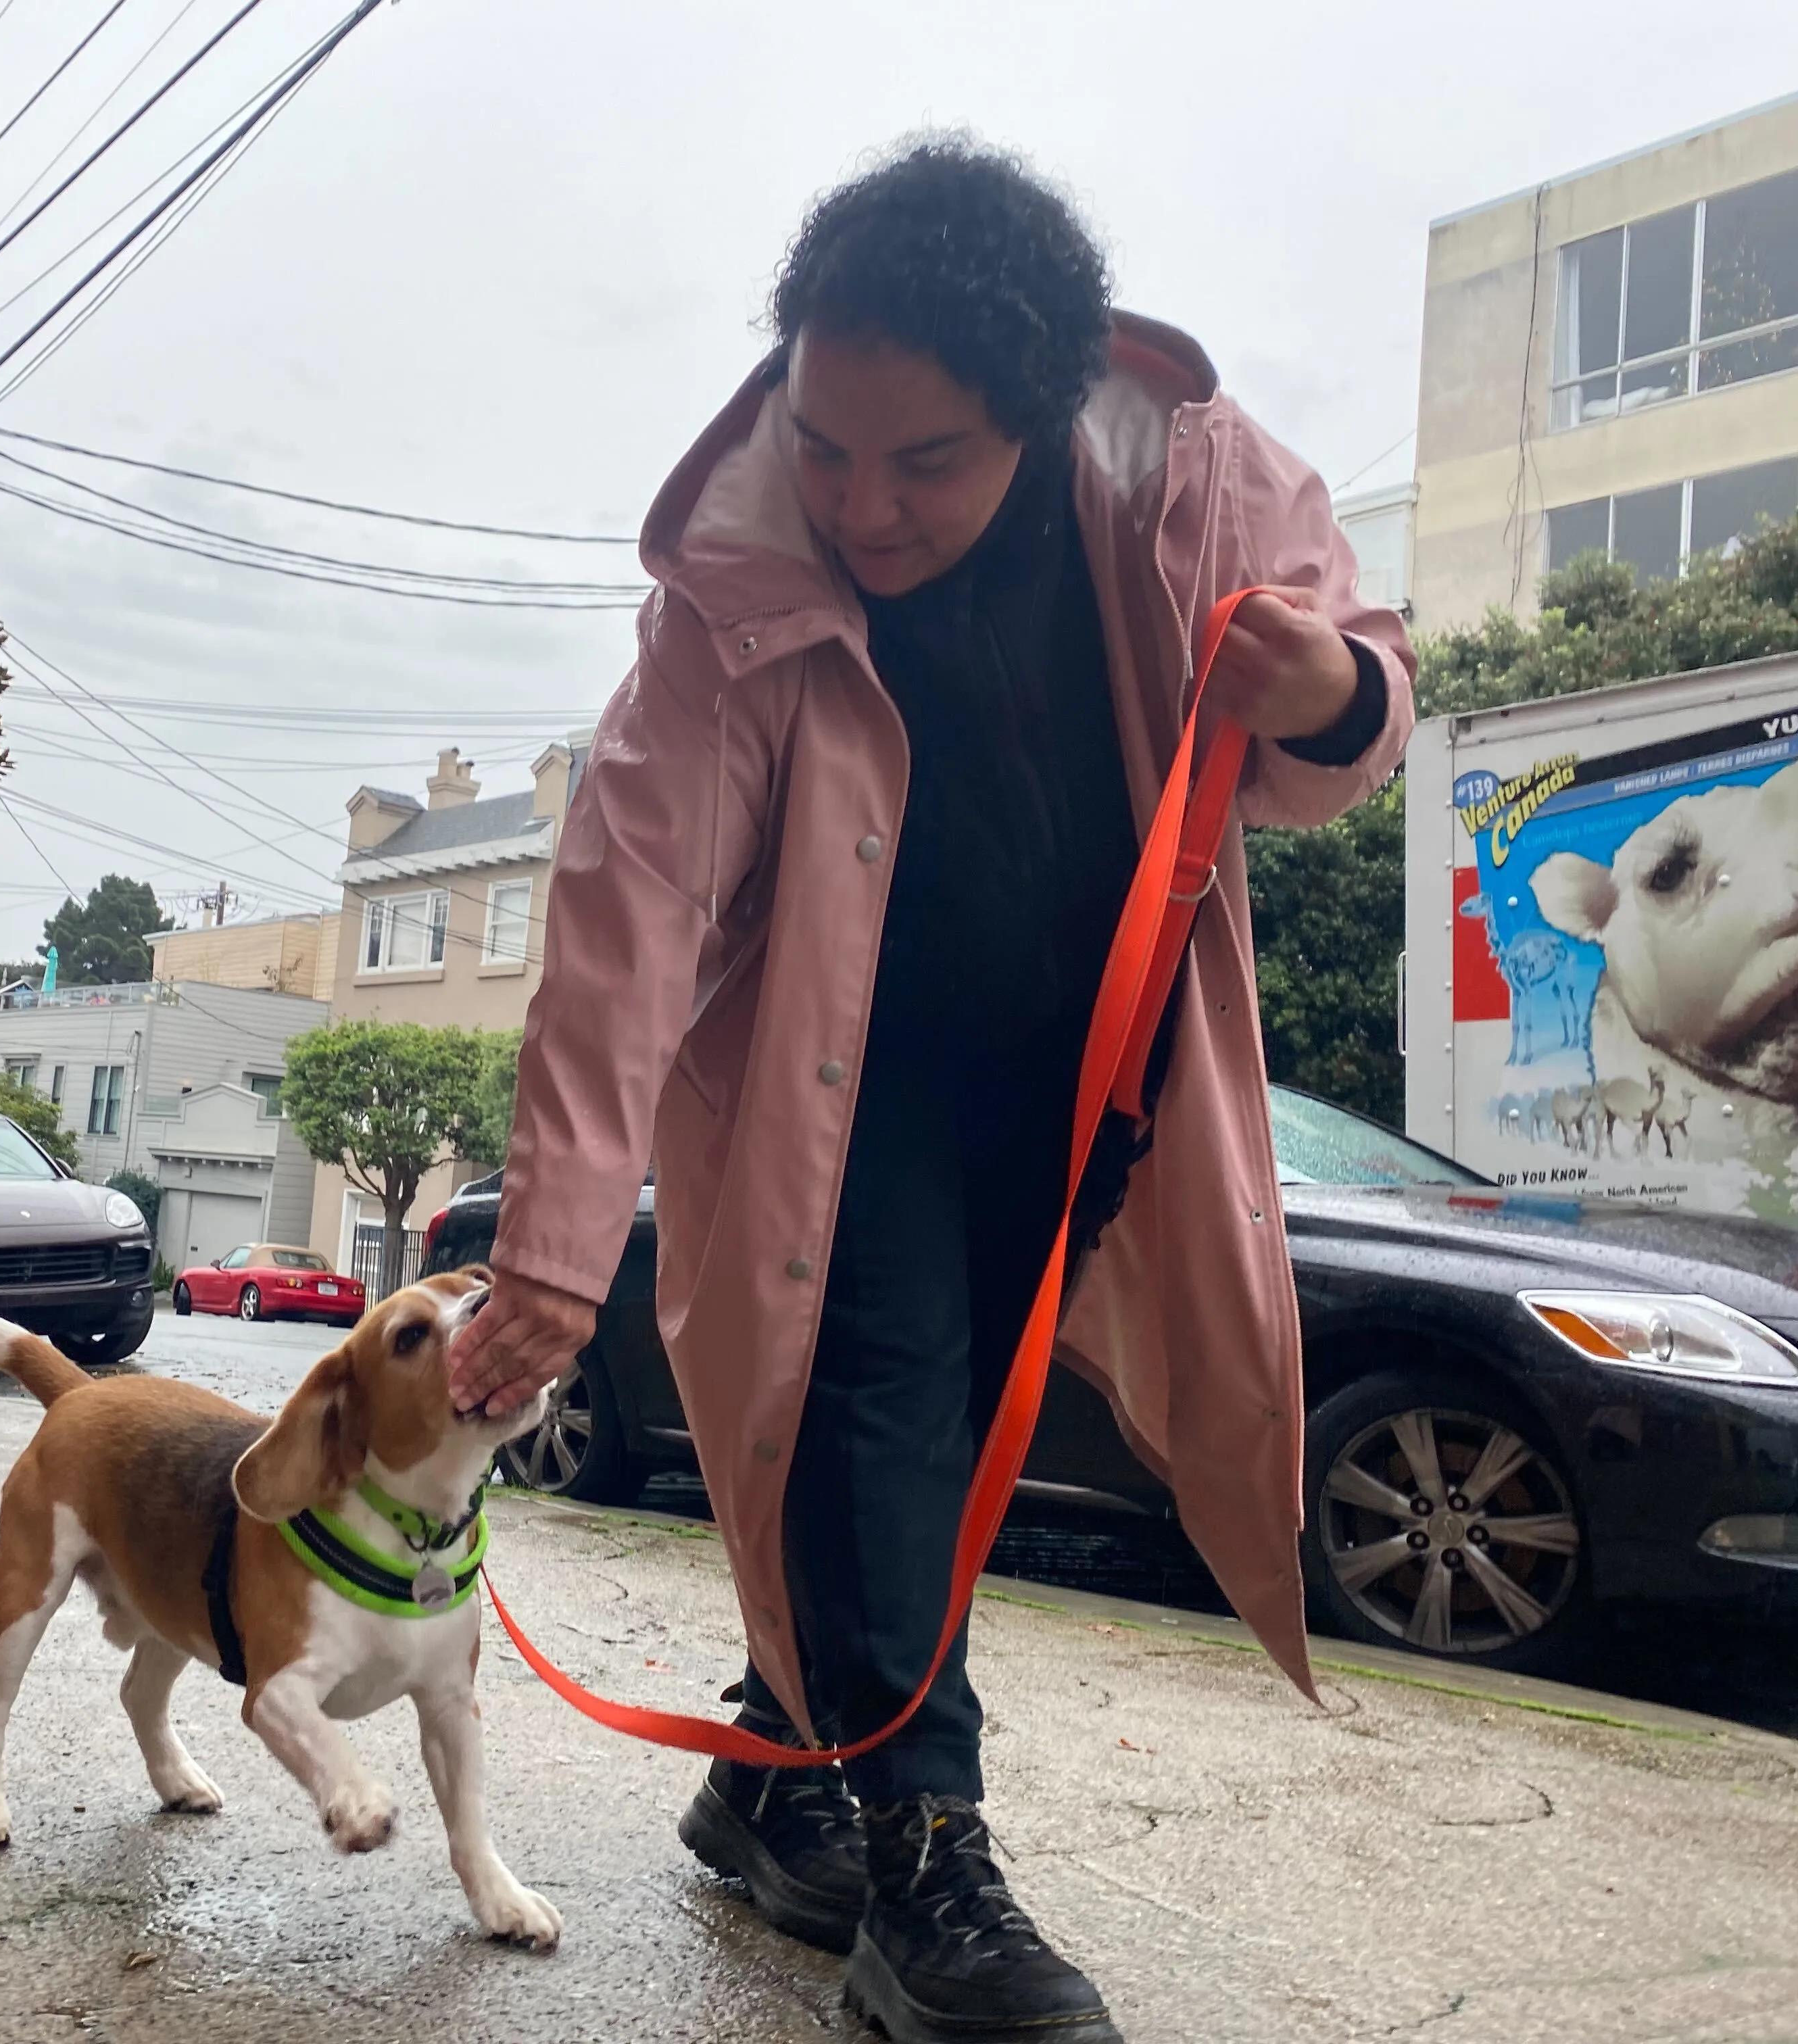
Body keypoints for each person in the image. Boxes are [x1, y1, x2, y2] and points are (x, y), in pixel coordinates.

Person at [447, 138, 1413, 2043]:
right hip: (835, 1061)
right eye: (826, 445)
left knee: (957, 1427)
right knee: (873, 1388)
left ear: (1044, 415)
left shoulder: (1194, 475)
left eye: (926, 463)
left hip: (1085, 1055)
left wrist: (1320, 692)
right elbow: (626, 905)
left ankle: (774, 1771)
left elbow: (1366, 702)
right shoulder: (732, 576)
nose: (862, 507)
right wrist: (556, 1252)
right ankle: (927, 1867)